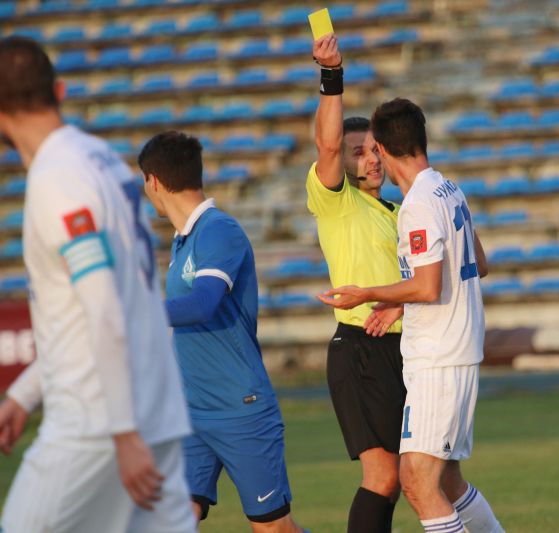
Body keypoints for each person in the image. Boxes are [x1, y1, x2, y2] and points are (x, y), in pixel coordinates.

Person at [0, 37, 195, 532]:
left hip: (97, 424)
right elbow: (115, 303)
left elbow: (104, 306)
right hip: (155, 410)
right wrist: (25, 393)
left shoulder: (57, 178)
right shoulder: (101, 158)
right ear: (59, 91)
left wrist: (122, 432)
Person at [319, 97, 503, 533]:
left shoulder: (416, 204)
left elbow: (427, 286)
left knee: (416, 483)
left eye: (372, 149)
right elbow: (478, 263)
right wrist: (399, 302)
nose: (370, 158)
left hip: (438, 357)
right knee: (445, 481)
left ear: (384, 148)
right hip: (451, 350)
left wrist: (367, 293)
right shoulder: (448, 189)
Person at [137, 131, 306, 532]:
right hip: (191, 411)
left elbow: (203, 304)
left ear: (153, 181)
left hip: (239, 407)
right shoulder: (183, 241)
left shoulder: (218, 230)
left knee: (272, 527)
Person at [305, 34, 408, 532]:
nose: (371, 159)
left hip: (405, 348)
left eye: (375, 149)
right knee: (383, 476)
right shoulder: (337, 201)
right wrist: (332, 75)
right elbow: (326, 144)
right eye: (358, 152)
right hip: (361, 349)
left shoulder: (399, 211)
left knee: (403, 479)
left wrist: (402, 305)